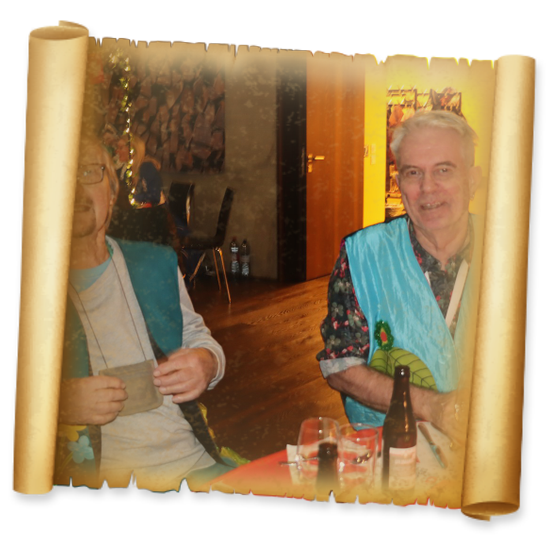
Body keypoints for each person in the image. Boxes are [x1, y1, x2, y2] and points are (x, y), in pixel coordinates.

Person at [55, 136, 234, 491]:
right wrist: (56, 403)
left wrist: (208, 363)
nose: (75, 187)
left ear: (112, 191)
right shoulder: (34, 291)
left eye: (89, 171)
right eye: (62, 173)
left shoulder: (154, 263)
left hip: (195, 463)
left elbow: (199, 338)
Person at [317, 110, 483, 446]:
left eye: (444, 170)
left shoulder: (510, 252)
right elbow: (341, 366)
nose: (427, 188)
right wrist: (432, 407)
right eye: (413, 173)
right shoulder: (361, 254)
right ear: (398, 183)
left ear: (472, 180)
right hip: (390, 448)